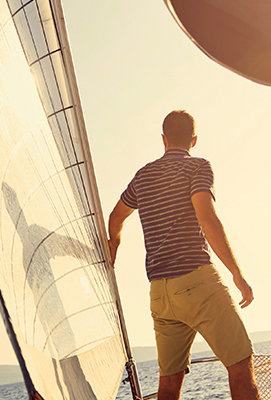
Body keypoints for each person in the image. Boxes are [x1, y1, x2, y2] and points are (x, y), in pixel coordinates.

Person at [107, 110, 260, 400]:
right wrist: (236, 273)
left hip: (160, 294)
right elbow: (207, 218)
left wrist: (113, 247)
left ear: (163, 139)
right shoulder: (198, 167)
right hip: (197, 283)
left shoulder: (142, 176)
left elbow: (116, 217)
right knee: (240, 367)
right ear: (194, 140)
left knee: (168, 385)